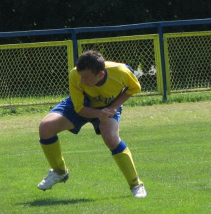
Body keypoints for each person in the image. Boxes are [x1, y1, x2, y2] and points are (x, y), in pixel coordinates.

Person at [37, 50, 147, 198]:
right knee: (46, 128)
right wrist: (98, 114)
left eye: (86, 77)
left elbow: (135, 88)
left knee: (111, 139)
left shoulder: (120, 71)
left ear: (100, 74)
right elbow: (79, 108)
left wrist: (113, 107)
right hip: (83, 104)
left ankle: (136, 184)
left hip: (108, 104)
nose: (81, 80)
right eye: (80, 75)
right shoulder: (75, 75)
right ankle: (59, 172)